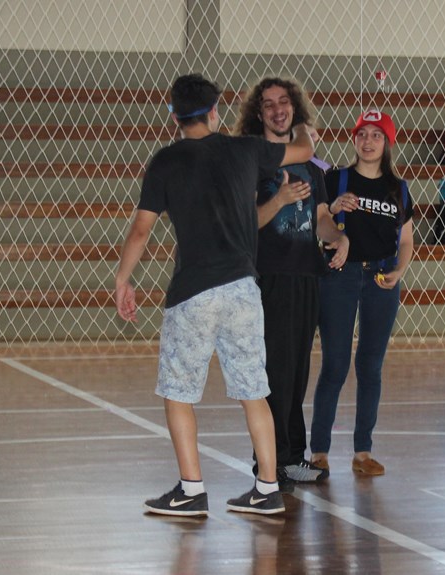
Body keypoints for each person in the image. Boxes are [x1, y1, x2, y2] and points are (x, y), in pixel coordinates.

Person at [114, 73, 314, 516]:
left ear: (174, 116)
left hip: (193, 294)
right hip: (243, 290)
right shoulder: (245, 150)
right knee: (254, 392)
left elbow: (141, 229)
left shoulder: (165, 161)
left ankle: (191, 490)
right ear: (214, 112)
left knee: (179, 392)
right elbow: (303, 150)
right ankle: (267, 488)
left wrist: (123, 278)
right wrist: (301, 125)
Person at [233, 77, 348, 488]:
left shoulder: (311, 167)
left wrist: (340, 237)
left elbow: (321, 218)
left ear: (294, 108)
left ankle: (291, 456)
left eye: (283, 102)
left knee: (297, 372)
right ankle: (272, 461)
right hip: (271, 278)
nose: (277, 109)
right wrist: (279, 200)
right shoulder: (252, 162)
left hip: (306, 276)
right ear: (258, 113)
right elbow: (246, 223)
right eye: (268, 104)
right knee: (275, 372)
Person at [309, 109, 414, 477]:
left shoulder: (399, 189)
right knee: (335, 364)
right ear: (354, 139)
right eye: (362, 134)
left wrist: (400, 270)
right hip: (339, 276)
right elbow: (318, 222)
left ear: (387, 142)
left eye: (376, 135)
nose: (368, 141)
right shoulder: (335, 179)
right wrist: (334, 212)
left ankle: (363, 452)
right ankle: (319, 452)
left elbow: (406, 240)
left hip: (381, 279)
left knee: (370, 365)